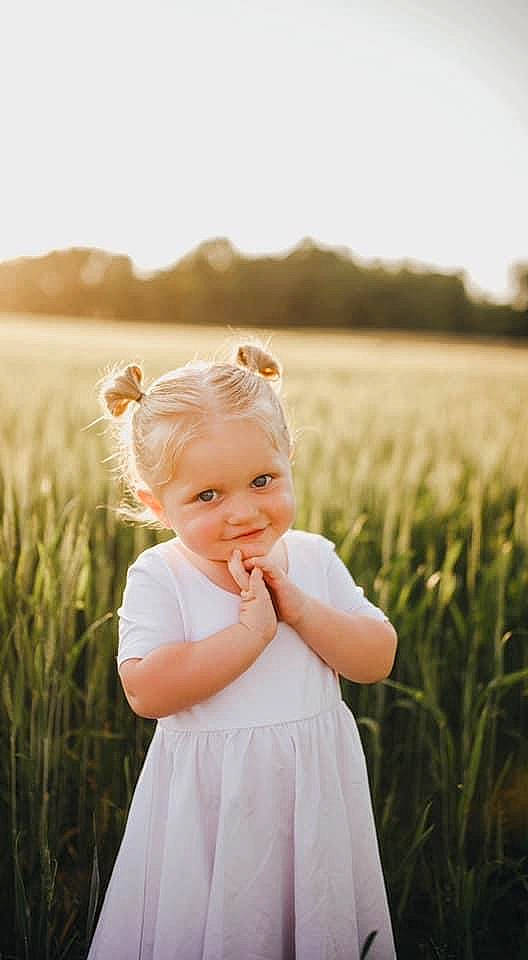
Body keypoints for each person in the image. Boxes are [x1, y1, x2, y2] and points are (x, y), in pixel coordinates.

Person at [87, 341, 398, 960]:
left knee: (309, 921)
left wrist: (302, 611)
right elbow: (146, 691)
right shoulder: (162, 575)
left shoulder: (313, 557)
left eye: (263, 480)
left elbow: (376, 658)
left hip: (310, 795)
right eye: (208, 497)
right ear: (157, 505)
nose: (243, 512)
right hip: (212, 807)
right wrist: (248, 636)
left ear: (289, 460)